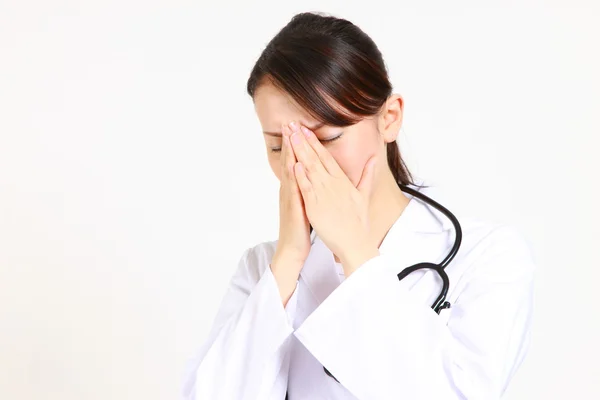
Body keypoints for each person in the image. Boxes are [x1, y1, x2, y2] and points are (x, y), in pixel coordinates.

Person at [182, 11, 535, 400]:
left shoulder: (488, 256)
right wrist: (288, 259)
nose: (301, 163)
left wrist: (356, 253)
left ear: (389, 118)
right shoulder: (264, 271)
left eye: (328, 137)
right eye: (278, 146)